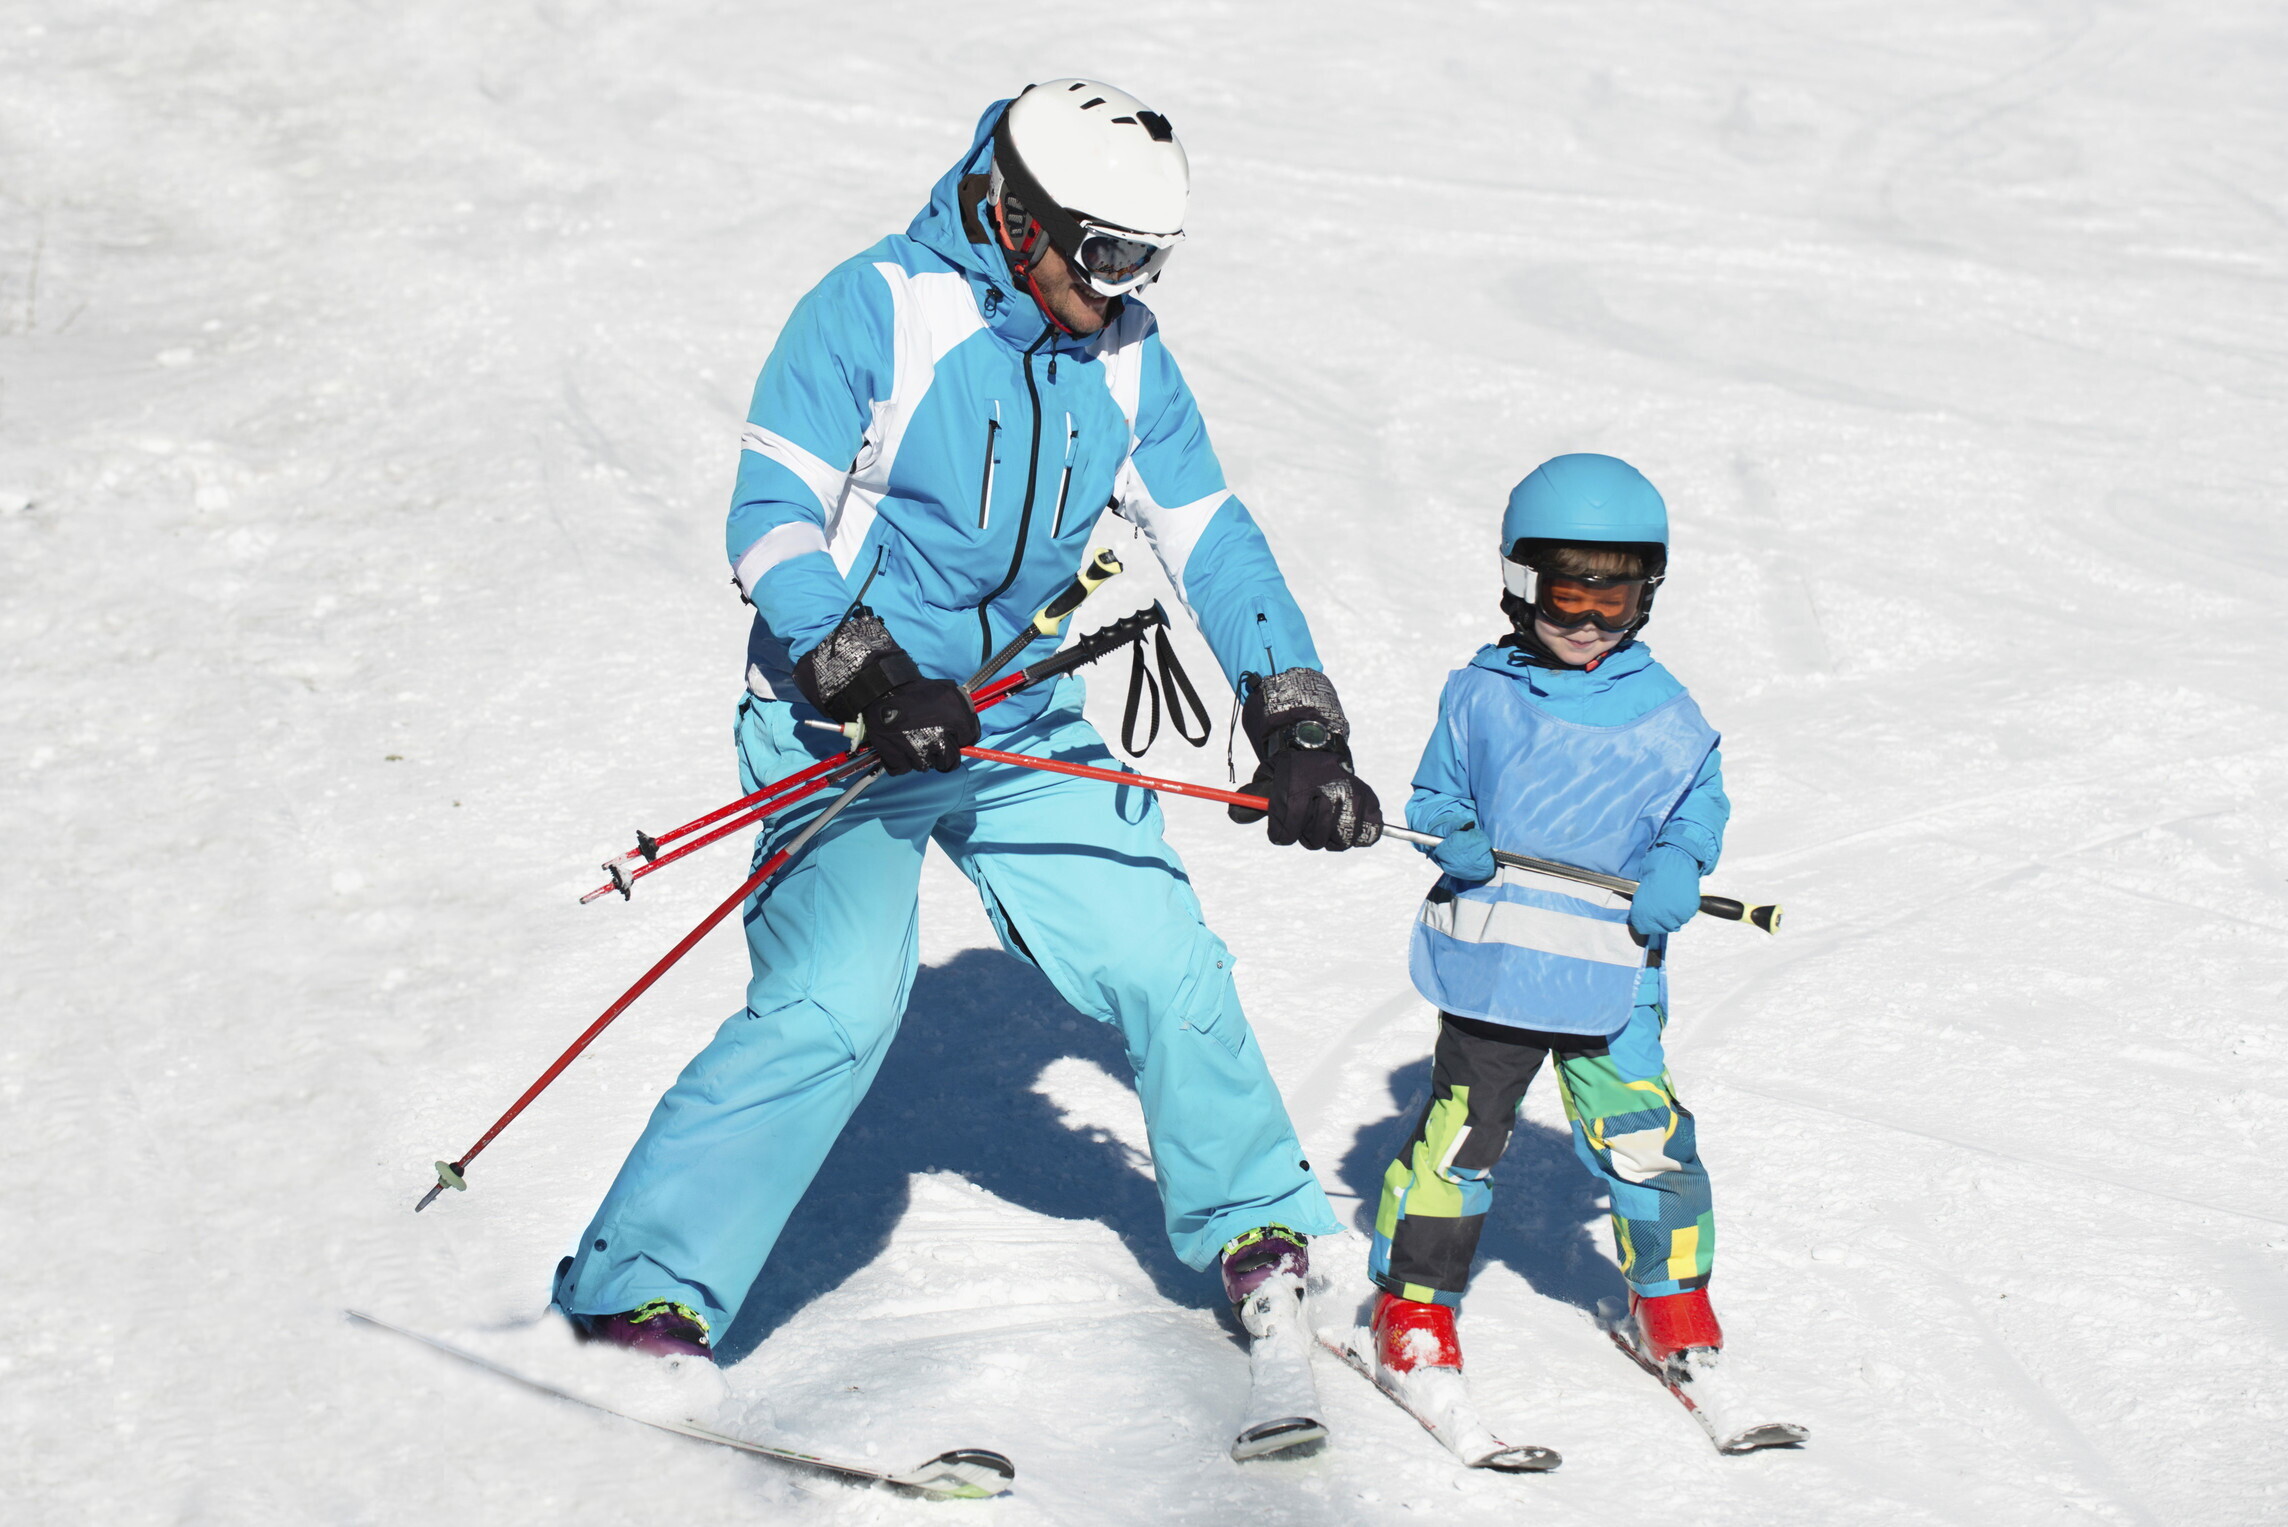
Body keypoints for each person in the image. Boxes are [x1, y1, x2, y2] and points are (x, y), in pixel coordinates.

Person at [549, 80, 1381, 1361]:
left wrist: (1295, 715)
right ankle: (635, 1295)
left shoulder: (1122, 353)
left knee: (1159, 954)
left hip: (1014, 718)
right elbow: (768, 519)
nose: (1126, 289)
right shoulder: (877, 311)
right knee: (832, 1006)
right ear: (1017, 220)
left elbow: (1210, 537)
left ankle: (1255, 1221)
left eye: (1149, 261)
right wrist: (867, 673)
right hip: (840, 728)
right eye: (1109, 256)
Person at [1367, 453, 1738, 1392]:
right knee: (1463, 1134)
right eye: (1569, 595)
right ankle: (1414, 1303)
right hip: (1497, 971)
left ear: (1647, 597)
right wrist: (1449, 833)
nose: (1587, 623)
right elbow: (1436, 793)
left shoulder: (1668, 716)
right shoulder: (1480, 693)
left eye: (1614, 602)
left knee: (1644, 1135)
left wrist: (1681, 859)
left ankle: (1670, 1300)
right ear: (1521, 583)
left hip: (1612, 973)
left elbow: (1696, 806)